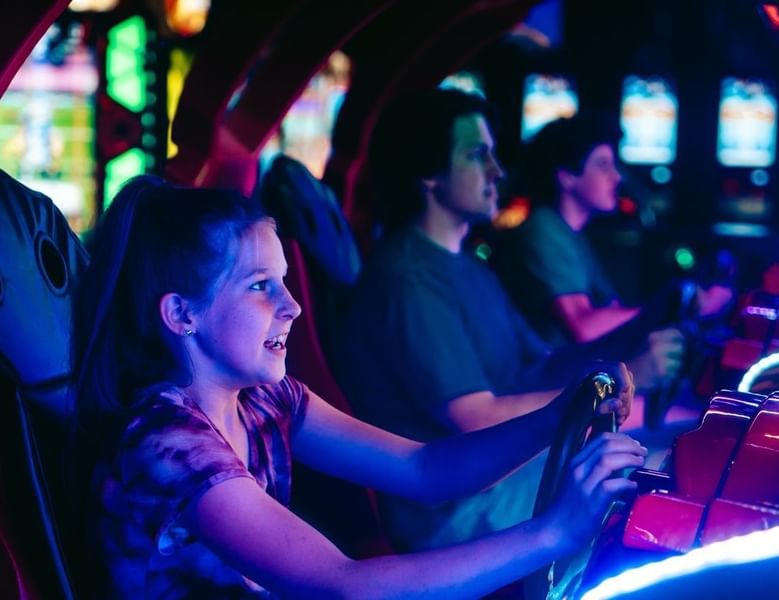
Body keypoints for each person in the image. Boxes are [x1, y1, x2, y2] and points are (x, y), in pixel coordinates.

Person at [72, 176, 645, 599]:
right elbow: (342, 586)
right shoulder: (167, 444)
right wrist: (551, 533)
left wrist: (555, 417)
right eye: (260, 286)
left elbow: (426, 470)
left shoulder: (266, 402)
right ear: (181, 314)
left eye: (284, 283)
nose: (292, 306)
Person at [334, 89, 646, 552]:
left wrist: (632, 357)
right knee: (656, 479)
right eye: (477, 155)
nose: (496, 171)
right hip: (456, 508)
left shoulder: (469, 267)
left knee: (668, 453)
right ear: (429, 174)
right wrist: (601, 393)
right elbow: (476, 417)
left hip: (506, 473)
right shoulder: (409, 278)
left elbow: (543, 364)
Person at [492, 114, 731, 355]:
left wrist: (684, 305)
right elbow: (584, 327)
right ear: (567, 177)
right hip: (554, 376)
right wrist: (676, 306)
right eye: (603, 165)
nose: (616, 177)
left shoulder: (573, 236)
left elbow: (613, 311)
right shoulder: (544, 231)